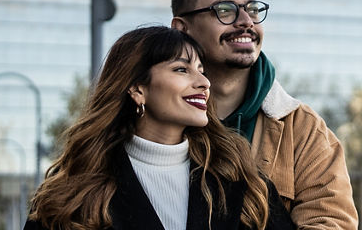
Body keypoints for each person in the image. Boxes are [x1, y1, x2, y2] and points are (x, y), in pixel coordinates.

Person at [25, 26, 295, 230]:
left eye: (201, 70)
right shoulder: (73, 189)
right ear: (137, 88)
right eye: (182, 69)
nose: (204, 82)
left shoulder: (238, 173)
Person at [171, 0, 357, 229]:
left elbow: (330, 222)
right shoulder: (156, 118)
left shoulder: (303, 129)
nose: (246, 21)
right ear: (182, 29)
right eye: (225, 10)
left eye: (252, 10)